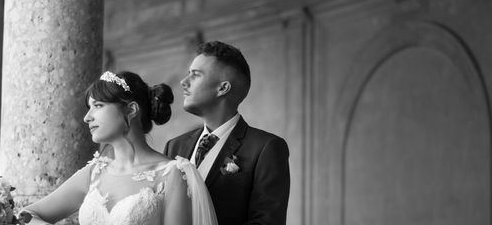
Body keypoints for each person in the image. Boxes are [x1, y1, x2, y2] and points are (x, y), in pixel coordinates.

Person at [20, 70, 218, 225]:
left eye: (98, 106)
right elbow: (26, 216)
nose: (87, 117)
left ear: (131, 110)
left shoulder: (172, 174)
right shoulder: (94, 173)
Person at [164, 41, 290, 225]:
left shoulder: (266, 148)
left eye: (195, 75)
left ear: (223, 88)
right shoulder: (174, 146)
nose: (184, 82)